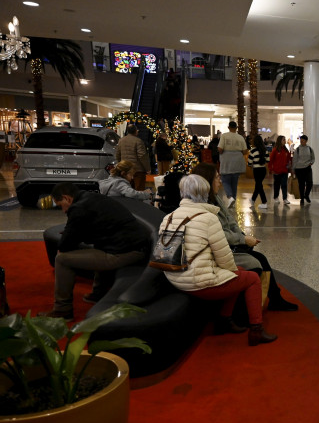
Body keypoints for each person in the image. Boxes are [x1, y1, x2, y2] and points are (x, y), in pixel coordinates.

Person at [159, 174, 277, 346]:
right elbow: (225, 258)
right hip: (198, 282)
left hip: (174, 278)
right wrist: (233, 269)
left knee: (236, 274)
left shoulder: (168, 217)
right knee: (250, 278)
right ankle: (256, 330)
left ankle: (225, 320)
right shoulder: (208, 218)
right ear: (204, 193)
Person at [191, 163, 298, 311]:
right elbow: (218, 234)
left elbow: (230, 221)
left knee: (260, 258)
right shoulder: (202, 205)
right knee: (255, 262)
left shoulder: (215, 198)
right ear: (207, 181)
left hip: (227, 246)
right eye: (216, 178)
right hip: (216, 252)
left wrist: (242, 236)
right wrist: (242, 240)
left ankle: (274, 298)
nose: (220, 181)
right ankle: (250, 307)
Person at [39, 183, 151, 320]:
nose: (63, 210)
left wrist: (73, 233)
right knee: (99, 247)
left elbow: (64, 246)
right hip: (135, 247)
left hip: (125, 253)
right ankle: (98, 293)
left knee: (62, 259)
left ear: (66, 198)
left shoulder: (78, 208)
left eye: (60, 205)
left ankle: (62, 310)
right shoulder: (92, 197)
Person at [217, 121, 248, 202]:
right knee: (234, 182)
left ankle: (230, 197)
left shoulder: (224, 136)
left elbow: (220, 149)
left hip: (226, 161)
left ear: (228, 127)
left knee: (225, 180)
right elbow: (245, 151)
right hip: (237, 162)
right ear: (236, 128)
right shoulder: (240, 137)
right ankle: (233, 199)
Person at [115, 124, 150, 191]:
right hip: (138, 170)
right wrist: (147, 168)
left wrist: (121, 165)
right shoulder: (138, 141)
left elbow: (118, 155)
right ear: (135, 131)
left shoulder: (121, 140)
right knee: (139, 189)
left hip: (125, 170)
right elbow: (142, 156)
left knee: (127, 189)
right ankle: (138, 202)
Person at [247, 134, 269, 209]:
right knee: (258, 185)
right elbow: (268, 160)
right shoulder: (265, 150)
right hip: (263, 170)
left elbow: (249, 162)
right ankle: (253, 199)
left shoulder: (253, 150)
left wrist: (250, 165)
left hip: (256, 170)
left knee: (259, 185)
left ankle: (264, 202)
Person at [292, 134, 315, 205]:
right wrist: (293, 169)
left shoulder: (310, 149)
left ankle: (306, 195)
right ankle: (302, 198)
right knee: (301, 184)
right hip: (299, 169)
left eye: (303, 140)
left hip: (307, 168)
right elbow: (294, 160)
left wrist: (311, 163)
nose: (301, 141)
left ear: (306, 141)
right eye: (301, 140)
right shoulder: (297, 149)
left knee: (310, 183)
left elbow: (313, 158)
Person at [269, 135, 292, 205]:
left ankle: (285, 198)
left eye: (285, 139)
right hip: (277, 171)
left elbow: (288, 159)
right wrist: (271, 169)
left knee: (284, 184)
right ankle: (276, 197)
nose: (285, 141)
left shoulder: (286, 150)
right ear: (280, 141)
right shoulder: (275, 150)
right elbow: (271, 160)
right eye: (283, 140)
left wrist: (289, 165)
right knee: (277, 185)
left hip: (284, 170)